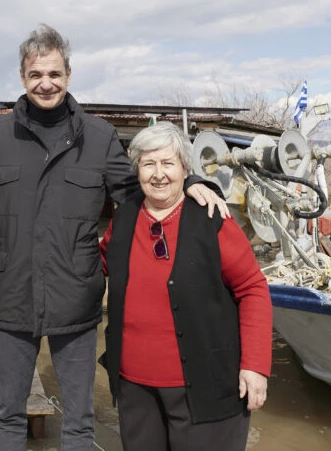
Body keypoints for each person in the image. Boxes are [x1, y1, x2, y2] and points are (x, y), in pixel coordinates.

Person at [0, 23, 229, 450]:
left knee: (80, 419)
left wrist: (191, 179)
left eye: (54, 74)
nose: (45, 84)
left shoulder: (99, 138)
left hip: (76, 298)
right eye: (35, 75)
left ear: (68, 74)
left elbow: (141, 192)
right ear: (22, 78)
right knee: (8, 413)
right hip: (10, 298)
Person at [98, 122, 272, 451]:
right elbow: (99, 264)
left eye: (168, 163)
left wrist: (255, 366)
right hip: (135, 387)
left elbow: (252, 289)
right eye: (149, 164)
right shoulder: (126, 217)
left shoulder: (211, 217)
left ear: (185, 168)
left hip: (205, 385)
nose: (159, 174)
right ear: (137, 170)